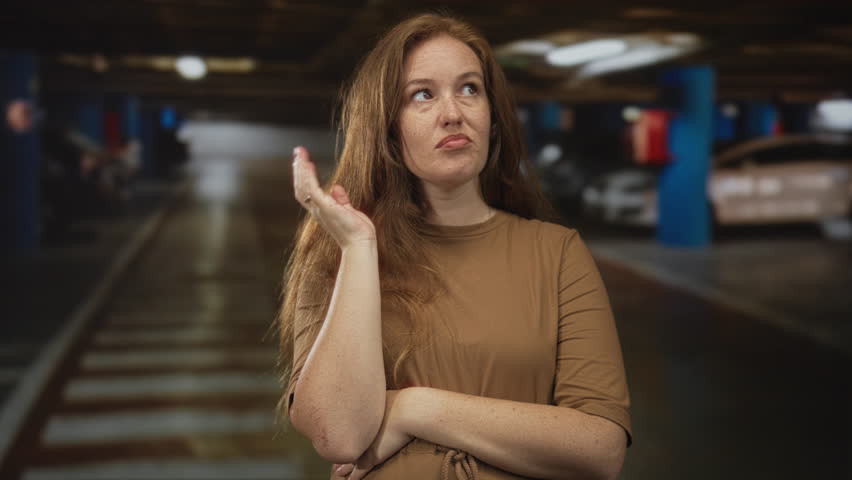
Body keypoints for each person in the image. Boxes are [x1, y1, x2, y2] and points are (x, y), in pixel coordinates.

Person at [280, 12, 632, 480]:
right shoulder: (336, 253)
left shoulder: (557, 252)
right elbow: (339, 435)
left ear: (492, 115)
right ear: (388, 127)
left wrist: (413, 409)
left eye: (470, 88)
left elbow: (600, 448)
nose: (454, 112)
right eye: (422, 94)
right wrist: (360, 248)